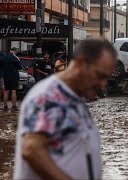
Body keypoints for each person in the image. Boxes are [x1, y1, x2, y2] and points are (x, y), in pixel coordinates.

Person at [14, 38, 117, 179]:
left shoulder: (75, 99)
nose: (103, 84)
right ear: (81, 63)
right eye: (100, 76)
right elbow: (31, 149)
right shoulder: (49, 96)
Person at [2, 47, 22, 112]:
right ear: (15, 51)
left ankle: (5, 107)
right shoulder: (15, 57)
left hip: (5, 76)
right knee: (13, 91)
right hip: (14, 77)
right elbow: (19, 67)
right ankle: (14, 106)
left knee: (6, 91)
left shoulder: (4, 57)